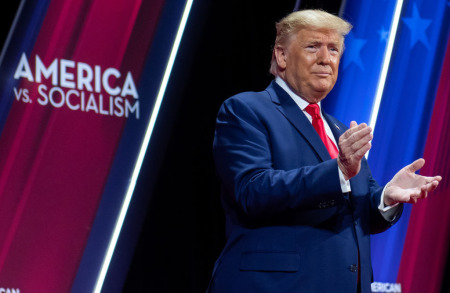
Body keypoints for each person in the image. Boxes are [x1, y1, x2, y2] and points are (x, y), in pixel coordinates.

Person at [206, 9, 442, 293]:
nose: (325, 59)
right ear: (281, 56)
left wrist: (385, 198)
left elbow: (354, 214)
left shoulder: (339, 129)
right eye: (312, 47)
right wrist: (338, 169)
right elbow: (253, 192)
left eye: (333, 49)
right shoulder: (246, 110)